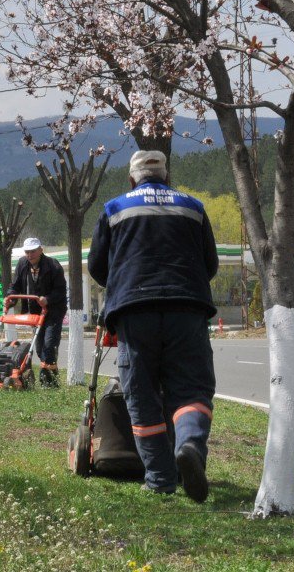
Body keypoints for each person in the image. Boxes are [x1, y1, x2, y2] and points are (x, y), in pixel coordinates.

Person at [87, 150, 218, 502]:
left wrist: (123, 283)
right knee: (191, 389)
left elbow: (97, 266)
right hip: (187, 308)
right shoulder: (192, 207)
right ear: (167, 177)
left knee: (142, 393)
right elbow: (210, 263)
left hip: (135, 311)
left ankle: (160, 478)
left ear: (132, 179)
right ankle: (189, 444)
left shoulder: (115, 209)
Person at [7, 237, 67, 387]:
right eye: (27, 252)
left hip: (53, 311)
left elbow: (60, 291)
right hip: (36, 314)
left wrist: (47, 299)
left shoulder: (53, 265)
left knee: (49, 345)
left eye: (33, 251)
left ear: (41, 250)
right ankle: (49, 374)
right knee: (40, 348)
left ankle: (50, 383)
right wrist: (10, 298)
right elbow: (15, 286)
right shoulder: (22, 264)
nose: (30, 255)